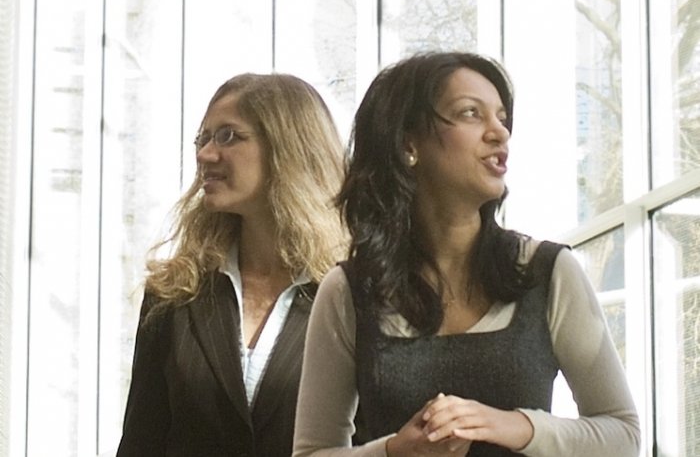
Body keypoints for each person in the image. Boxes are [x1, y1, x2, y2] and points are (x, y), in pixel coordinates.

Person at [293, 52, 641, 457]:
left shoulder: (549, 272)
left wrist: (515, 425)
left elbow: (623, 435)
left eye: (502, 118)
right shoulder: (348, 290)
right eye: (471, 113)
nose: (499, 133)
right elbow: (311, 452)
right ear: (408, 143)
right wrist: (392, 452)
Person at [117, 73, 346, 457]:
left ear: (288, 147)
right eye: (202, 139)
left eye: (228, 136)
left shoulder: (356, 294)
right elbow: (142, 443)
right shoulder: (174, 292)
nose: (205, 154)